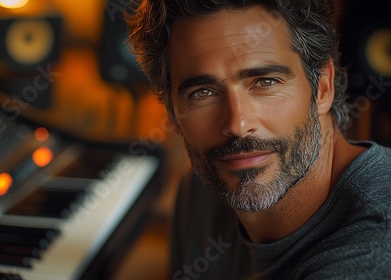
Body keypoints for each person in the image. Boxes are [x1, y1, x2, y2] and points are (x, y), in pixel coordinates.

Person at [126, 0, 391, 279]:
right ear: (172, 114)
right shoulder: (202, 190)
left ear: (322, 88)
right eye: (203, 92)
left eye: (265, 82)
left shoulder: (372, 254)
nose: (238, 125)